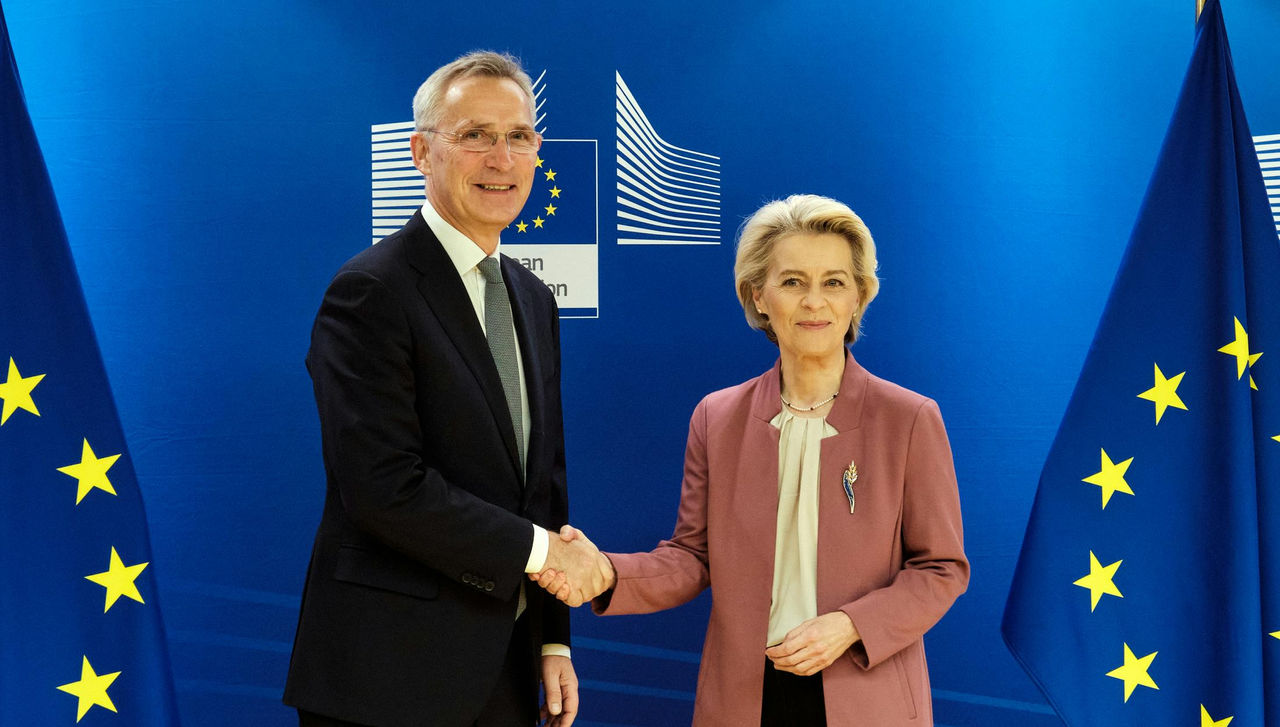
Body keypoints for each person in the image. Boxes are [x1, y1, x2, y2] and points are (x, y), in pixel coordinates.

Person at [535, 194, 969, 726]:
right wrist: (605, 573)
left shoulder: (910, 419)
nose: (815, 302)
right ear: (759, 296)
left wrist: (851, 625)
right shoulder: (717, 418)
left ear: (859, 297)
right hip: (743, 698)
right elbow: (692, 558)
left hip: (868, 694)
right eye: (793, 282)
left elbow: (941, 568)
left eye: (834, 282)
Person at [284, 51, 608, 727]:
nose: (501, 158)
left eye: (519, 137)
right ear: (420, 152)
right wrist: (551, 555)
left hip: (510, 671)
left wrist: (552, 636)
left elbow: (540, 483)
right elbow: (383, 487)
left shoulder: (532, 297)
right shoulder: (371, 292)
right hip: (388, 679)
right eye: (475, 136)